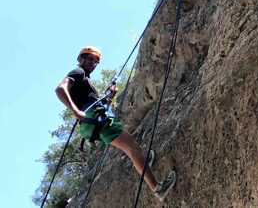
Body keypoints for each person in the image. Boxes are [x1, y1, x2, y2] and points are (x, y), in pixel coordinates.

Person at [55, 46, 176, 202]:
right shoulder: (78, 72)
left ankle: (143, 165)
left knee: (131, 148)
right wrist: (75, 111)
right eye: (90, 59)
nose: (93, 63)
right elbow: (60, 89)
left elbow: (101, 105)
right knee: (133, 149)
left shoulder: (85, 81)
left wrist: (111, 95)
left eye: (96, 61)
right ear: (81, 59)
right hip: (97, 120)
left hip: (95, 122)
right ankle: (157, 188)